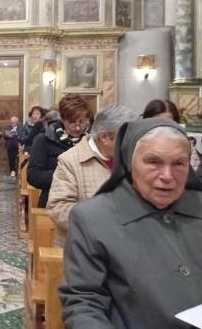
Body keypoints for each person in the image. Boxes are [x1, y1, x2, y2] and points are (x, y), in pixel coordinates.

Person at [59, 118, 202, 329]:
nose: (167, 176)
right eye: (153, 162)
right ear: (129, 162)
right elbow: (84, 304)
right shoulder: (93, 218)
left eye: (179, 163)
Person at [47, 104, 138, 246]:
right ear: (104, 137)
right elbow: (59, 209)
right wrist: (108, 219)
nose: (132, 143)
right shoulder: (71, 161)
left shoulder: (134, 159)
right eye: (127, 138)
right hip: (85, 249)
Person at [28, 94, 91, 208]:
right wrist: (67, 174)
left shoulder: (91, 141)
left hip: (87, 205)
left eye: (82, 122)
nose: (77, 128)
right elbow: (33, 176)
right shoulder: (44, 139)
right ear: (62, 118)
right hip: (54, 204)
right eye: (72, 122)